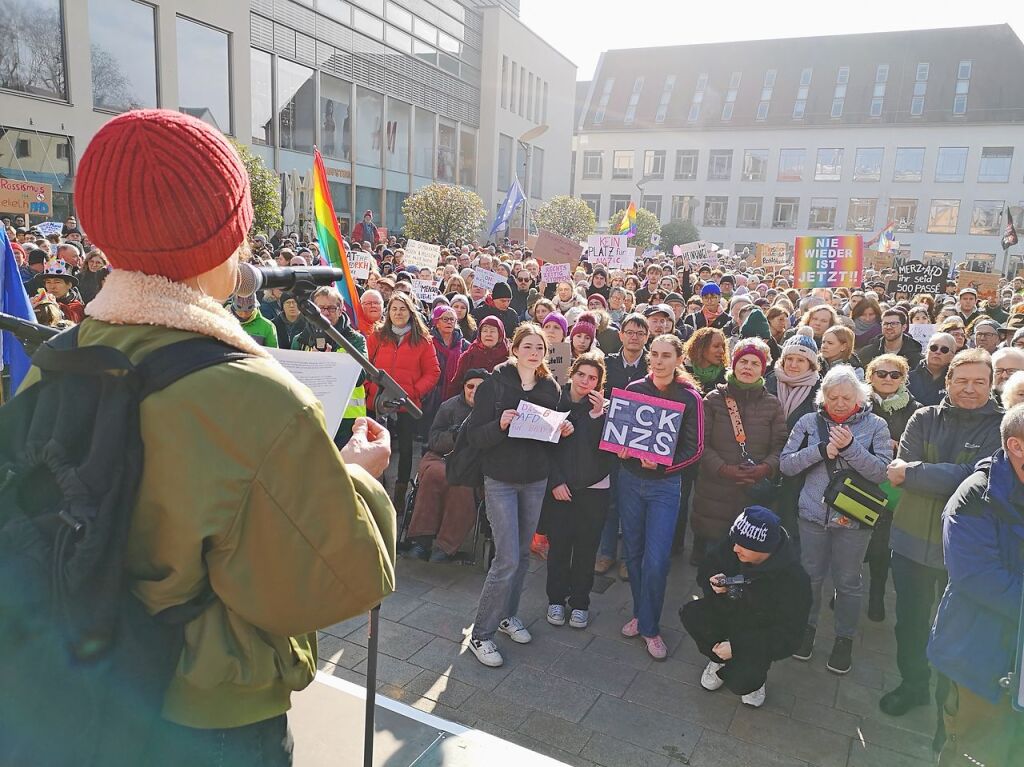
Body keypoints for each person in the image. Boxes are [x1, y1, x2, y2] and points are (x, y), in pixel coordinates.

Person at [33, 108, 396, 763]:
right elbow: (336, 580)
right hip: (212, 719)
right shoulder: (259, 398)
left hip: (84, 690)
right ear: (223, 238)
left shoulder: (57, 359)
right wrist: (358, 477)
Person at [881, 349, 1003, 717]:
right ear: (947, 382)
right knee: (911, 625)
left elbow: (982, 480)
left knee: (959, 632)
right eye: (962, 380)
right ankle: (913, 685)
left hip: (967, 555)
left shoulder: (1002, 426)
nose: (970, 388)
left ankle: (949, 707)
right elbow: (899, 472)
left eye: (979, 381)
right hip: (911, 544)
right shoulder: (923, 418)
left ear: (992, 384)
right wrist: (945, 473)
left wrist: (918, 473)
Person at [465, 324, 569, 668]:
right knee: (506, 558)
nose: (534, 351)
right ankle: (481, 634)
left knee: (522, 555)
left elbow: (550, 440)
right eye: (528, 345)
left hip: (534, 480)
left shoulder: (550, 387)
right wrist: (499, 425)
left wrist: (562, 429)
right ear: (515, 348)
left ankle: (507, 616)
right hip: (500, 480)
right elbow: (475, 437)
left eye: (540, 346)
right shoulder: (494, 384)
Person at [927, 405, 1024, 766]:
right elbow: (977, 578)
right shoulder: (975, 496)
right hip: (979, 654)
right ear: (1017, 446)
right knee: (975, 751)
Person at [780, 366, 892, 674]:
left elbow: (882, 472)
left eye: (846, 397)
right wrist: (821, 450)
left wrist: (851, 448)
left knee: (848, 582)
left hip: (855, 521)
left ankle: (844, 639)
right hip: (813, 516)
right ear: (823, 396)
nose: (839, 403)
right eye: (833, 397)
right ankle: (807, 629)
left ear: (859, 396)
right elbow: (786, 465)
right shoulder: (808, 422)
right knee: (811, 576)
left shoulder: (876, 425)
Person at [617, 334, 705, 660]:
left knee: (656, 560)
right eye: (654, 354)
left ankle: (651, 628)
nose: (657, 360)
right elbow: (619, 435)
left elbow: (694, 449)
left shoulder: (690, 397)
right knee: (634, 553)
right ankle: (642, 615)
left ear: (678, 359)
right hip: (630, 482)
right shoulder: (634, 389)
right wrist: (621, 450)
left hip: (664, 487)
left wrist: (664, 464)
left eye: (666, 355)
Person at [680, 507, 811, 709]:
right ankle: (718, 658)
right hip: (727, 612)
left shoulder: (795, 580)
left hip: (758, 632)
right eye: (735, 542)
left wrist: (739, 647)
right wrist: (713, 580)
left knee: (744, 680)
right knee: (693, 615)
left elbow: (790, 637)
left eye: (744, 546)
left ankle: (755, 677)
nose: (735, 549)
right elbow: (707, 566)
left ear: (765, 549)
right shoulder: (735, 543)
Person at [691, 338, 786, 566]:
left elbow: (781, 445)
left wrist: (765, 468)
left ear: (763, 369)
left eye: (755, 363)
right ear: (734, 364)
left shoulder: (772, 404)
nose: (748, 367)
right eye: (743, 361)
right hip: (715, 493)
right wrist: (723, 469)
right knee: (712, 566)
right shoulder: (713, 400)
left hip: (752, 494)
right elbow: (699, 443)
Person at [545, 352, 613, 629]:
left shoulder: (603, 410)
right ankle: (556, 600)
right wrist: (555, 482)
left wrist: (597, 417)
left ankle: (580, 602)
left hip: (594, 489)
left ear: (599, 383)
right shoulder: (554, 400)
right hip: (560, 488)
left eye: (593, 378)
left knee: (586, 549)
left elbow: (605, 453)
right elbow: (541, 449)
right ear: (571, 373)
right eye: (581, 374)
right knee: (559, 546)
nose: (586, 381)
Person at [366, 292, 441, 506]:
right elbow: (365, 367)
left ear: (411, 312)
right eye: (394, 309)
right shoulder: (377, 336)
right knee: (377, 448)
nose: (398, 313)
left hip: (407, 405)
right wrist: (374, 390)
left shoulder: (423, 341)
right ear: (388, 312)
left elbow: (433, 372)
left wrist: (413, 392)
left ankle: (399, 494)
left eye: (403, 309)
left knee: (406, 450)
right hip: (379, 404)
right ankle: (375, 491)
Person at [404, 371, 486, 562]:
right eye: (470, 386)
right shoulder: (449, 406)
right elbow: (433, 439)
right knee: (434, 475)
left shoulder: (493, 411)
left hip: (472, 463)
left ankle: (446, 546)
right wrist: (454, 436)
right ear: (464, 387)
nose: (474, 391)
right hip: (441, 456)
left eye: (480, 387)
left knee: (461, 484)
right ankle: (421, 541)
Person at [595, 313, 651, 577]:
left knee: (633, 504)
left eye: (640, 333)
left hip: (640, 444)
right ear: (621, 334)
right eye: (630, 332)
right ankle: (606, 553)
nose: (634, 337)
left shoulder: (653, 364)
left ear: (646, 337)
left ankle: (630, 557)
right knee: (609, 501)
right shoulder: (608, 363)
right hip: (610, 440)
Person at [865, 353, 918, 623]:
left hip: (892, 486)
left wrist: (898, 446)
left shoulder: (915, 409)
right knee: (852, 541)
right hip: (860, 478)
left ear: (903, 378)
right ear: (870, 376)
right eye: (881, 374)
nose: (887, 379)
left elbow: (919, 444)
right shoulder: (858, 402)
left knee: (881, 547)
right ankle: (842, 591)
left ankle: (876, 595)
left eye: (894, 374)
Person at [421, 305, 469, 435]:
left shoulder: (464, 345)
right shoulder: (427, 343)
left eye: (452, 319)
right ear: (436, 322)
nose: (449, 322)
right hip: (432, 395)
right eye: (445, 319)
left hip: (455, 394)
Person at [446, 315, 509, 399]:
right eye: (485, 331)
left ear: (500, 334)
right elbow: (456, 385)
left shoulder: (509, 357)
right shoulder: (469, 356)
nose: (488, 334)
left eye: (493, 331)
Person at [908, 332, 956, 406]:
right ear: (926, 351)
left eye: (944, 349)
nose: (937, 352)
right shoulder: (907, 378)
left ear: (952, 356)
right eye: (933, 348)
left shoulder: (955, 381)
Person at [683, 327, 729, 394]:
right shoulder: (683, 371)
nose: (722, 351)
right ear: (701, 347)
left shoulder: (726, 377)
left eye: (723, 346)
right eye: (716, 346)